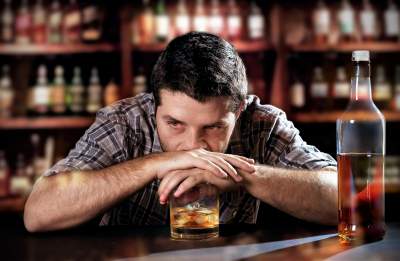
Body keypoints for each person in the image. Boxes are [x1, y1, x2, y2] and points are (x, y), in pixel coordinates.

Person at [24, 32, 337, 232]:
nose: (193, 147)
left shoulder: (261, 123)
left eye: (213, 126)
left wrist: (244, 176)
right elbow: (38, 214)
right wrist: (154, 165)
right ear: (154, 106)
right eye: (174, 124)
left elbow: (353, 197)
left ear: (238, 111)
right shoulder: (125, 121)